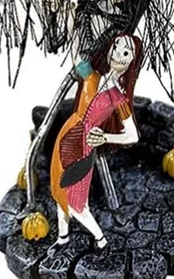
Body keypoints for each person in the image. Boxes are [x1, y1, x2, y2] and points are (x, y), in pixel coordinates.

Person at [49, 33, 143, 248]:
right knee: (59, 189)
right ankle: (62, 237)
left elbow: (133, 135)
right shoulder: (92, 76)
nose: (118, 54)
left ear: (132, 62)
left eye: (126, 53)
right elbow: (77, 58)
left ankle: (101, 240)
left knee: (76, 202)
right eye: (116, 47)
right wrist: (72, 25)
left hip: (83, 146)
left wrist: (105, 137)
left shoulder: (118, 98)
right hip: (66, 136)